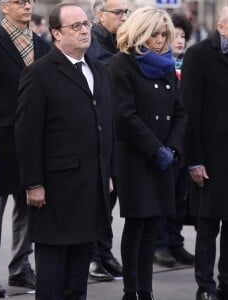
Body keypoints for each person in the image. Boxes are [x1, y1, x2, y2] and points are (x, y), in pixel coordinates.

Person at [15, 3, 116, 299]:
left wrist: (109, 171)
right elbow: (27, 134)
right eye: (76, 26)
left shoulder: (98, 69)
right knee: (52, 278)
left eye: (86, 24)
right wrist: (33, 183)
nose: (85, 30)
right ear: (56, 34)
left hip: (90, 186)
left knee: (77, 279)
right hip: (56, 191)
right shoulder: (40, 73)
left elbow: (107, 125)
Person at [0, 0, 51, 297]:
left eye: (29, 1)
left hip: (34, 140)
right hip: (1, 140)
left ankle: (20, 267)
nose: (26, 6)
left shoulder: (43, 46)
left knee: (30, 207)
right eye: (19, 1)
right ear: (4, 7)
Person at [109, 6, 187, 300]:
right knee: (137, 224)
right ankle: (132, 291)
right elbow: (125, 115)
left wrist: (173, 148)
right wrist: (155, 149)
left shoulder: (166, 65)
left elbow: (180, 112)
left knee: (153, 225)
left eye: (163, 33)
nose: (160, 39)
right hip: (136, 158)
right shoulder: (121, 64)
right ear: (140, 32)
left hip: (164, 158)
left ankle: (147, 290)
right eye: (154, 33)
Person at [181, 6, 228, 300]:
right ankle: (205, 287)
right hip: (210, 157)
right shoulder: (198, 54)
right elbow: (189, 111)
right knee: (207, 227)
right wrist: (194, 160)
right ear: (222, 25)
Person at [86, 0, 131, 282]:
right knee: (98, 199)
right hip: (100, 129)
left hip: (117, 131)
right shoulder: (94, 43)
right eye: (119, 13)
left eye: (127, 12)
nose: (124, 17)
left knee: (109, 198)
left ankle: (103, 252)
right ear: (100, 15)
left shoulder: (119, 41)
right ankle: (93, 257)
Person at [153, 13, 195, 268]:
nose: (179, 40)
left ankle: (176, 242)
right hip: (165, 141)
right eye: (175, 35)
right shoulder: (162, 65)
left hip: (185, 141)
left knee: (181, 196)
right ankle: (161, 244)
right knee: (164, 195)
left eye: (183, 36)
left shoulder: (189, 64)